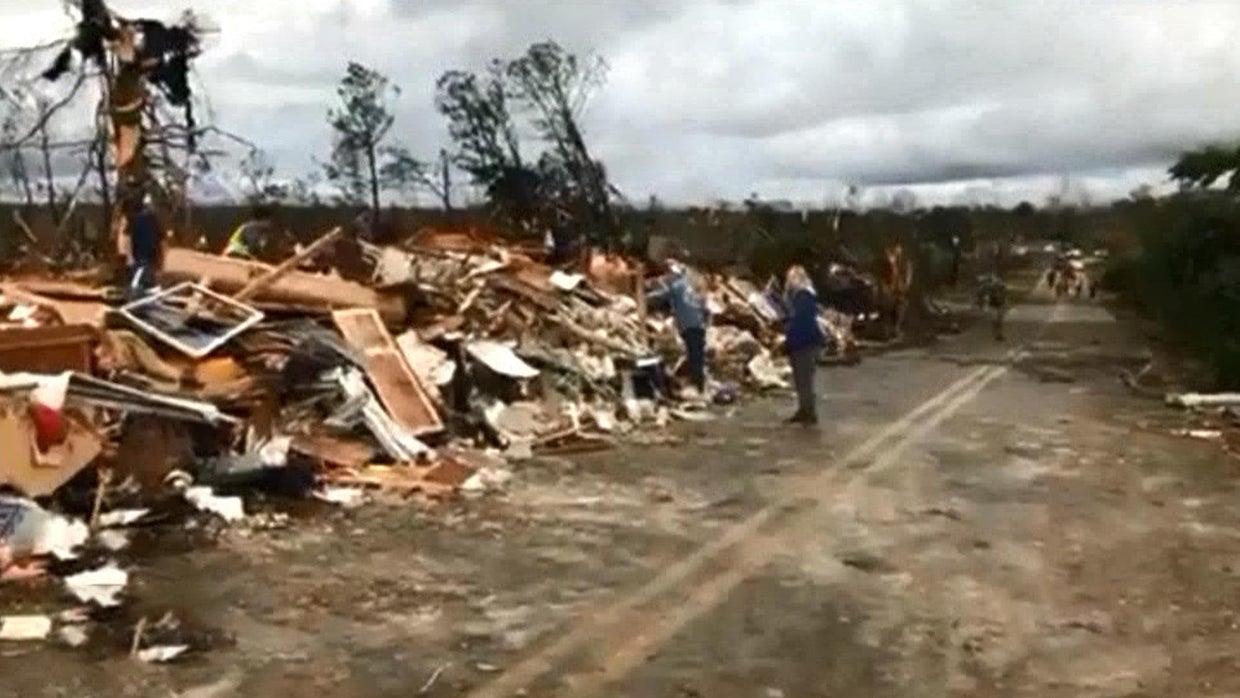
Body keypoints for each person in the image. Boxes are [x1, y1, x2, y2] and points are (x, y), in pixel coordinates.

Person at [647, 259, 710, 396]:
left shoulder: (676, 286)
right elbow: (704, 306)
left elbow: (661, 296)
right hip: (699, 325)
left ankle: (698, 387)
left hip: (689, 325)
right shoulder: (691, 285)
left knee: (694, 356)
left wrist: (643, 297)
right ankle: (700, 385)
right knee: (698, 356)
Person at [783, 265, 825, 425]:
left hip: (804, 344)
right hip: (807, 343)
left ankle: (808, 413)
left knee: (804, 380)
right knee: (802, 380)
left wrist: (790, 341)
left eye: (790, 278)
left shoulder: (802, 296)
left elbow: (800, 322)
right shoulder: (805, 295)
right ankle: (804, 409)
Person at [123, 191, 161, 298]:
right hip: (139, 258)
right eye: (149, 205)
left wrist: (160, 259)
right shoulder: (136, 220)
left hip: (151, 259)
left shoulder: (154, 221)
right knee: (135, 284)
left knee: (150, 284)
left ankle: (148, 303)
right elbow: (128, 238)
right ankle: (133, 303)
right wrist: (129, 256)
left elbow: (160, 240)